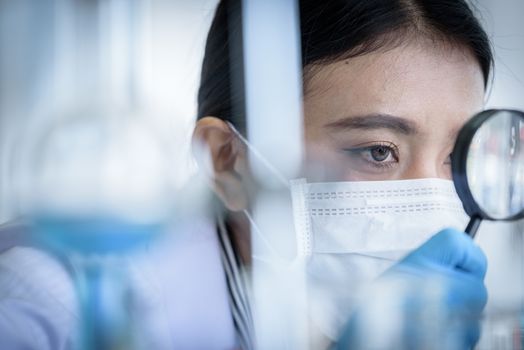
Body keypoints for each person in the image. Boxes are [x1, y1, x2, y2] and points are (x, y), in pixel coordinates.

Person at [0, 0, 493, 349]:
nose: (435, 203)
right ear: (227, 160)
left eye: (456, 158)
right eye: (379, 151)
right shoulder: (58, 300)